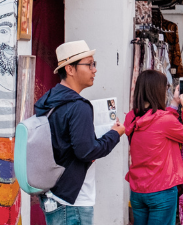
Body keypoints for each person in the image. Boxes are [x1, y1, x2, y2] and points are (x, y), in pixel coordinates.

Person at [33, 40, 125, 223]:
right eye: (89, 64)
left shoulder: (49, 99)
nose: (94, 69)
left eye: (94, 64)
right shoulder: (78, 106)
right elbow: (86, 151)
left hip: (54, 192)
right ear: (70, 69)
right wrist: (115, 134)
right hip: (72, 200)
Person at [124, 71, 183, 225]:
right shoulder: (165, 120)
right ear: (157, 90)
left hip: (138, 190)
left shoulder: (131, 117)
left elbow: (156, 121)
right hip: (161, 190)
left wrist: (174, 105)